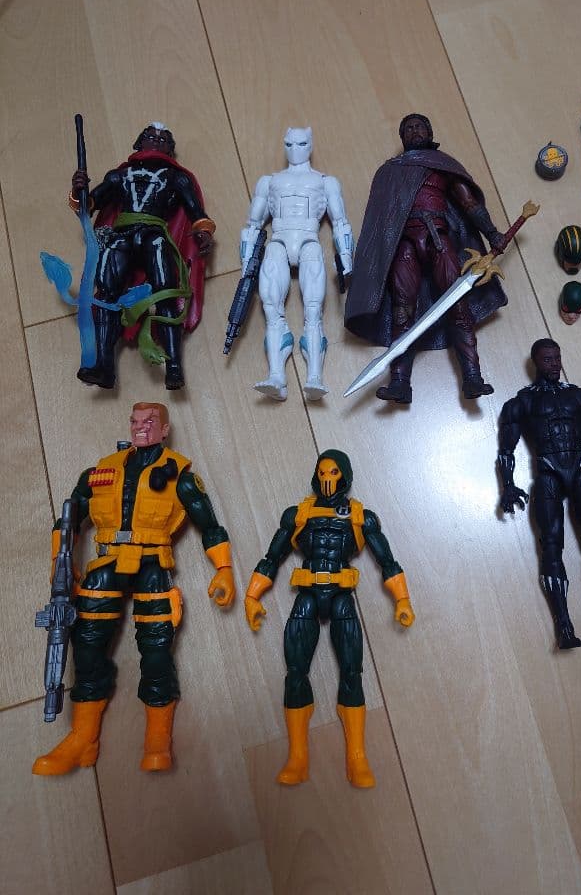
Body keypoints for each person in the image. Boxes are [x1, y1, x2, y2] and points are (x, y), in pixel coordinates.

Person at [32, 402, 234, 775]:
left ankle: (158, 739)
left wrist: (223, 568)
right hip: (106, 565)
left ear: (165, 429)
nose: (141, 427)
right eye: (136, 421)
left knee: (156, 651)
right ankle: (83, 738)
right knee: (86, 645)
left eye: (150, 422)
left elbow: (209, 524)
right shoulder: (99, 472)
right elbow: (69, 518)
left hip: (152, 565)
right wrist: (59, 562)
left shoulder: (180, 476)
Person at [244, 450, 414, 787]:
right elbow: (272, 556)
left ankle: (357, 757)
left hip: (341, 596)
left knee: (352, 672)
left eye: (334, 472)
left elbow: (387, 560)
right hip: (307, 595)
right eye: (322, 472)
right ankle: (297, 757)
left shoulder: (361, 517)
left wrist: (402, 599)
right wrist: (252, 595)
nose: (327, 478)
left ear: (344, 476)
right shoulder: (298, 514)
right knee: (295, 672)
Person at [344, 114, 507, 404]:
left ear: (430, 132)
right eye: (408, 128)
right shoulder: (390, 171)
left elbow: (468, 203)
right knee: (401, 310)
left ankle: (473, 378)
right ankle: (399, 383)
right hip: (403, 243)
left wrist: (492, 232)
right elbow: (378, 222)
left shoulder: (442, 165)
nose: (414, 131)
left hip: (438, 239)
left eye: (419, 126)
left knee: (457, 304)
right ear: (402, 137)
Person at [497, 339, 581, 649]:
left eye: (557, 357)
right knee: (551, 546)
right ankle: (564, 627)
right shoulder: (522, 403)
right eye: (548, 359)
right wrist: (507, 485)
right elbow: (506, 449)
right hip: (547, 476)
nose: (554, 364)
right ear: (536, 362)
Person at [71, 123, 214, 390]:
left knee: (166, 293)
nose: (156, 140)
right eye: (150, 136)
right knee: (106, 296)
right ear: (139, 143)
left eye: (163, 139)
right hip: (122, 236)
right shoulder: (119, 176)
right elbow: (88, 206)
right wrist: (78, 191)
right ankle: (103, 365)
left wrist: (203, 231)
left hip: (153, 235)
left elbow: (196, 212)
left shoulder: (176, 178)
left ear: (169, 149)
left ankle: (174, 366)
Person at [240, 127, 353, 400]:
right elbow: (253, 224)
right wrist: (246, 262)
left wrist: (346, 258)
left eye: (301, 143)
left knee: (313, 311)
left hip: (309, 241)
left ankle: (315, 378)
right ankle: (276, 376)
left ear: (310, 145)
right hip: (277, 242)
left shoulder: (325, 182)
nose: (295, 149)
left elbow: (340, 222)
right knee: (271, 308)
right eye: (289, 144)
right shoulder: (269, 181)